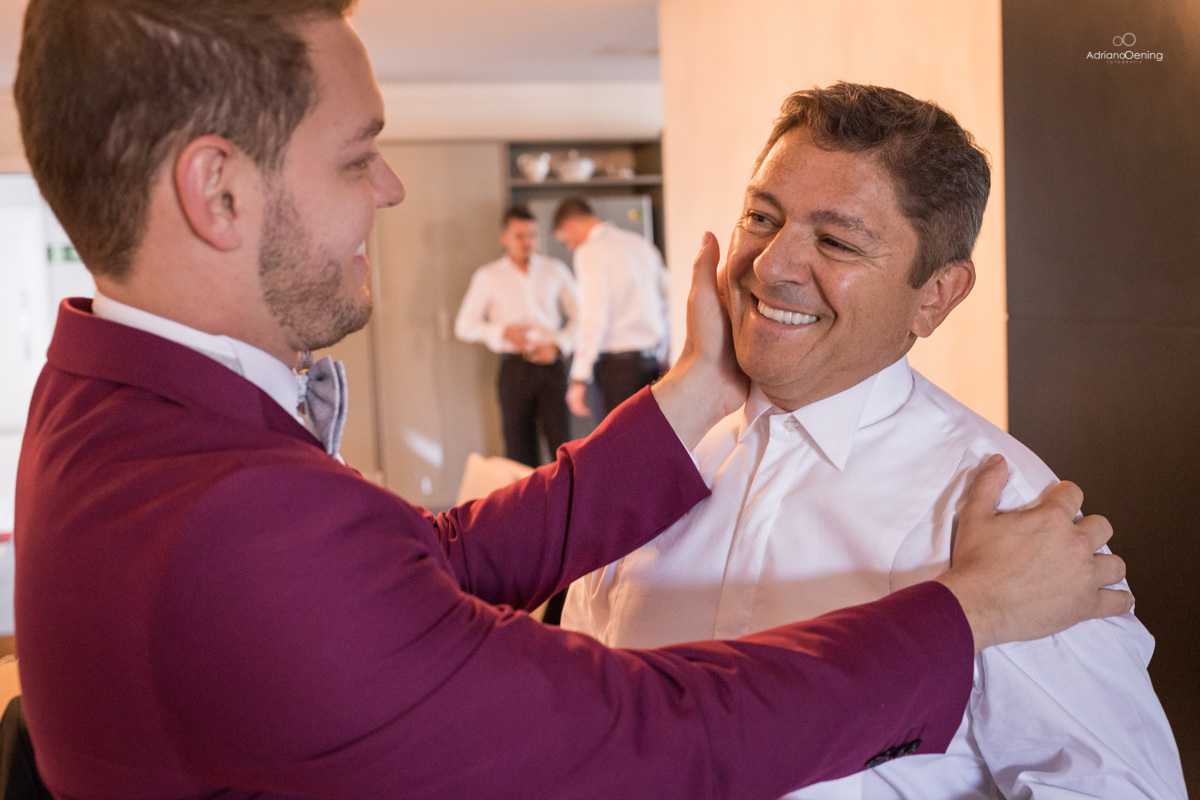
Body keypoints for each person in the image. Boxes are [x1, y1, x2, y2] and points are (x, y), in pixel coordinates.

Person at [11, 1, 1131, 797]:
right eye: (359, 158)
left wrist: (689, 397)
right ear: (219, 190)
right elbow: (645, 733)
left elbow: (430, 555)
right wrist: (965, 610)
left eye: (837, 240)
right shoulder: (245, 520)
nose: (392, 189)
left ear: (940, 292)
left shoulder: (98, 405)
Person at [562, 83, 1187, 799]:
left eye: (835, 241)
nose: (770, 266)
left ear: (938, 295)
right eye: (761, 218)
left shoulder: (1006, 515)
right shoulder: (652, 455)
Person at [454, 206, 579, 468]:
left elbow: (584, 317)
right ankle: (528, 508)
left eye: (532, 235)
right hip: (514, 369)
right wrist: (502, 332)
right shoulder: (488, 277)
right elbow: (464, 326)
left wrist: (558, 344)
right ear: (505, 237)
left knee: (563, 446)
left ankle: (566, 506)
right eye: (520, 236)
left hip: (552, 366)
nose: (527, 242)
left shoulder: (554, 270)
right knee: (518, 448)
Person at [553, 197, 669, 419]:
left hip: (616, 372)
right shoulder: (642, 244)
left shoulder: (589, 252)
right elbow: (666, 304)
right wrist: (664, 354)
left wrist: (579, 378)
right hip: (652, 364)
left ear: (570, 226)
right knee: (647, 445)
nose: (570, 247)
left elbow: (594, 317)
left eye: (567, 241)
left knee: (617, 450)